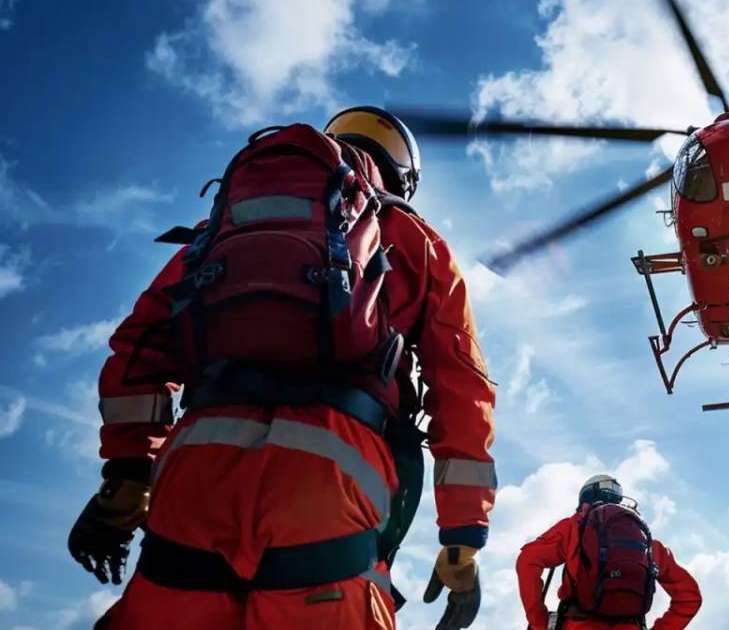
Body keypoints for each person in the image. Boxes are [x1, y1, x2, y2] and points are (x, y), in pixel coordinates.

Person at [66, 106, 497, 630]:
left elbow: (140, 346)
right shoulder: (416, 241)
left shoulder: (222, 226)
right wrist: (462, 535)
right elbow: (462, 389)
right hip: (332, 475)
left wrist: (129, 470)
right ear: (403, 176)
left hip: (195, 470)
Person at [516, 475, 702, 630]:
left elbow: (528, 561)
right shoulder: (645, 541)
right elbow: (690, 597)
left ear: (583, 504)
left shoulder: (574, 526)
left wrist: (539, 622)